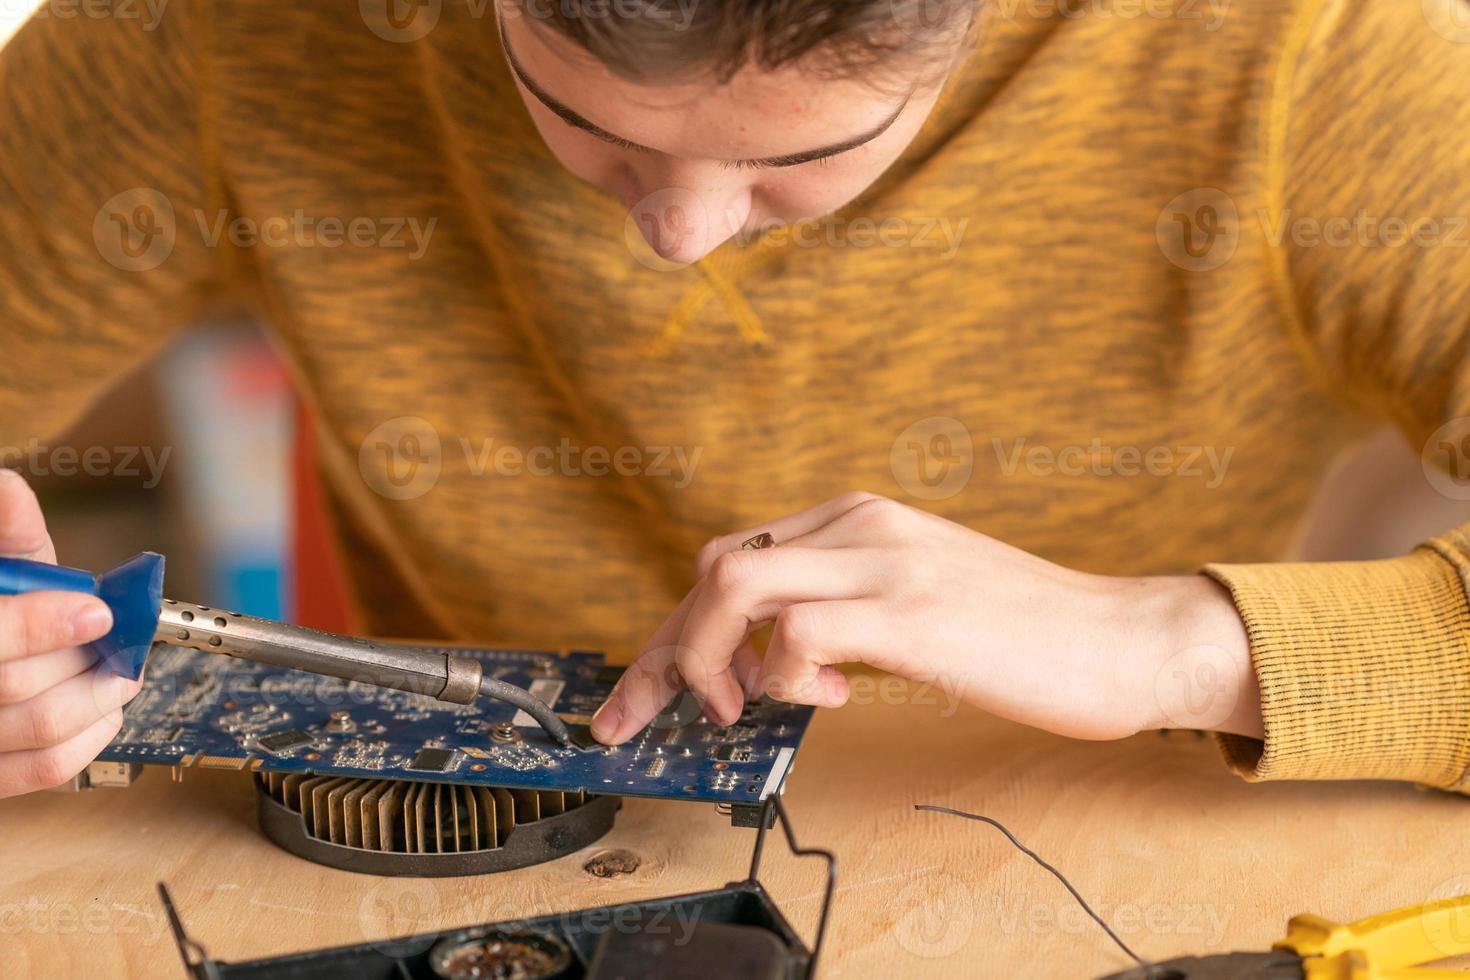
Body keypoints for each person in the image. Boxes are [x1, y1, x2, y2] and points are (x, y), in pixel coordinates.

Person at [0, 0, 1467, 800]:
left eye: (803, 151)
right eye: (579, 115)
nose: (679, 241)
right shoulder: (215, 24)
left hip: (1112, 858)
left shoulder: (1311, 49)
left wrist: (1162, 643)